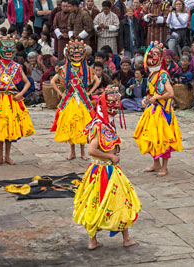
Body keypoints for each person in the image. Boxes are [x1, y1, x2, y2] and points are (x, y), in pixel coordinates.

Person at [73, 87, 141, 250]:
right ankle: (125, 238)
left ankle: (94, 240)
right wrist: (111, 156)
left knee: (95, 203)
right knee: (120, 201)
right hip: (105, 171)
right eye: (111, 106)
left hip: (100, 171)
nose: (114, 109)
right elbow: (92, 150)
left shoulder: (103, 123)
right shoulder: (100, 126)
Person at [0, 36, 35, 166]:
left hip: (11, 100)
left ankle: (8, 156)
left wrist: (20, 94)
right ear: (0, 50)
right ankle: (0, 157)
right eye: (6, 49)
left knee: (9, 128)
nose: (9, 52)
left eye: (11, 49)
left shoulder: (17, 67)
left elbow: (27, 83)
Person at [133, 41, 183, 177]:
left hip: (162, 111)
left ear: (160, 58)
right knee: (150, 136)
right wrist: (147, 99)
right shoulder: (150, 75)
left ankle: (164, 167)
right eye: (149, 55)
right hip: (152, 110)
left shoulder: (163, 75)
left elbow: (170, 93)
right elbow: (151, 92)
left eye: (154, 55)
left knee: (163, 138)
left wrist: (156, 98)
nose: (151, 58)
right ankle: (156, 163)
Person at [50, 39, 100, 160]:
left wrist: (90, 92)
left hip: (82, 101)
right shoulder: (64, 69)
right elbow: (53, 81)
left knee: (83, 125)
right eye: (73, 54)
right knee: (72, 125)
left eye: (79, 54)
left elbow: (97, 81)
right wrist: (60, 93)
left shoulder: (87, 69)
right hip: (70, 101)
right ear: (69, 54)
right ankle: (72, 152)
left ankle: (83, 152)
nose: (76, 56)